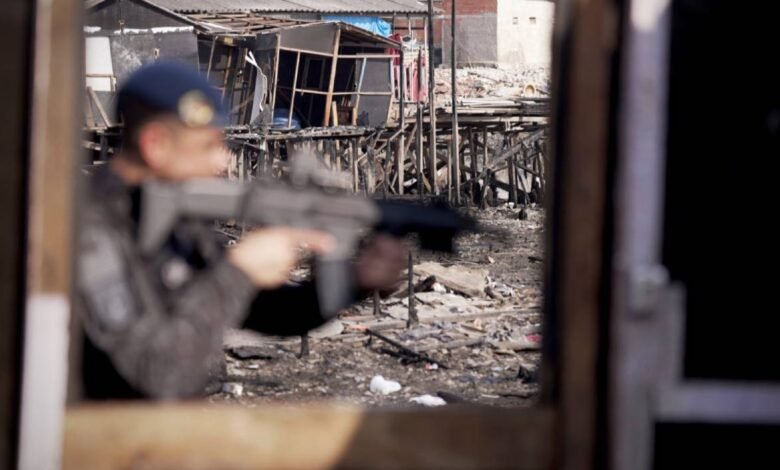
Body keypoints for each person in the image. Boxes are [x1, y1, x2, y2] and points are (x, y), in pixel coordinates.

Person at [76, 61, 406, 400]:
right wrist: (239, 271)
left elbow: (269, 313)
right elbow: (155, 374)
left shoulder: (175, 220)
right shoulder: (89, 228)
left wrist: (356, 281)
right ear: (155, 144)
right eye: (208, 146)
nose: (222, 162)